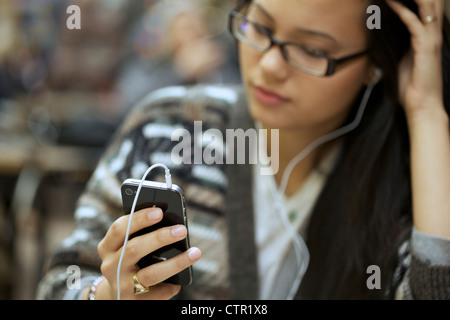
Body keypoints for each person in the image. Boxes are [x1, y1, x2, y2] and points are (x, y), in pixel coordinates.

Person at [37, 0, 450, 300]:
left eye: (312, 50)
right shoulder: (168, 128)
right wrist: (106, 295)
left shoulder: (418, 175)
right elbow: (59, 285)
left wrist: (427, 112)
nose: (269, 65)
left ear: (375, 66)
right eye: (261, 27)